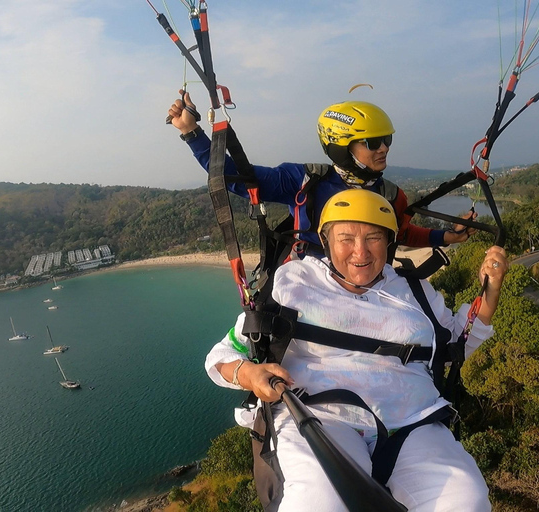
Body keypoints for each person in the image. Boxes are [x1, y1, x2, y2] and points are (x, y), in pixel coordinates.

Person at [204, 189, 508, 511]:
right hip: (321, 415)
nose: (359, 252)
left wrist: (491, 288)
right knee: (319, 503)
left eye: (373, 238)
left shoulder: (416, 292)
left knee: (466, 501)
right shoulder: (292, 285)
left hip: (410, 420)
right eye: (346, 238)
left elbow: (457, 342)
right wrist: (248, 373)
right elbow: (222, 355)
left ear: (389, 242)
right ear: (326, 241)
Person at [168, 92, 475, 252]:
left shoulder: (392, 195)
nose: (384, 148)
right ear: (341, 147)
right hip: (306, 289)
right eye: (372, 142)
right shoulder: (304, 182)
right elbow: (233, 178)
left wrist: (447, 236)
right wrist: (192, 133)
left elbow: (401, 233)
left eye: (387, 139)